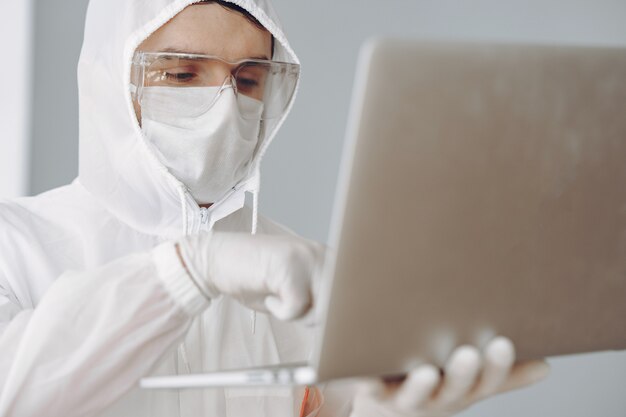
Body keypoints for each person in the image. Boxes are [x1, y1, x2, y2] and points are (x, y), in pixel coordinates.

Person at [0, 1, 550, 416]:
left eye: (247, 80)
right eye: (182, 74)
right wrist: (191, 269)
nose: (224, 109)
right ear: (109, 84)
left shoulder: (301, 282)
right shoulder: (15, 245)